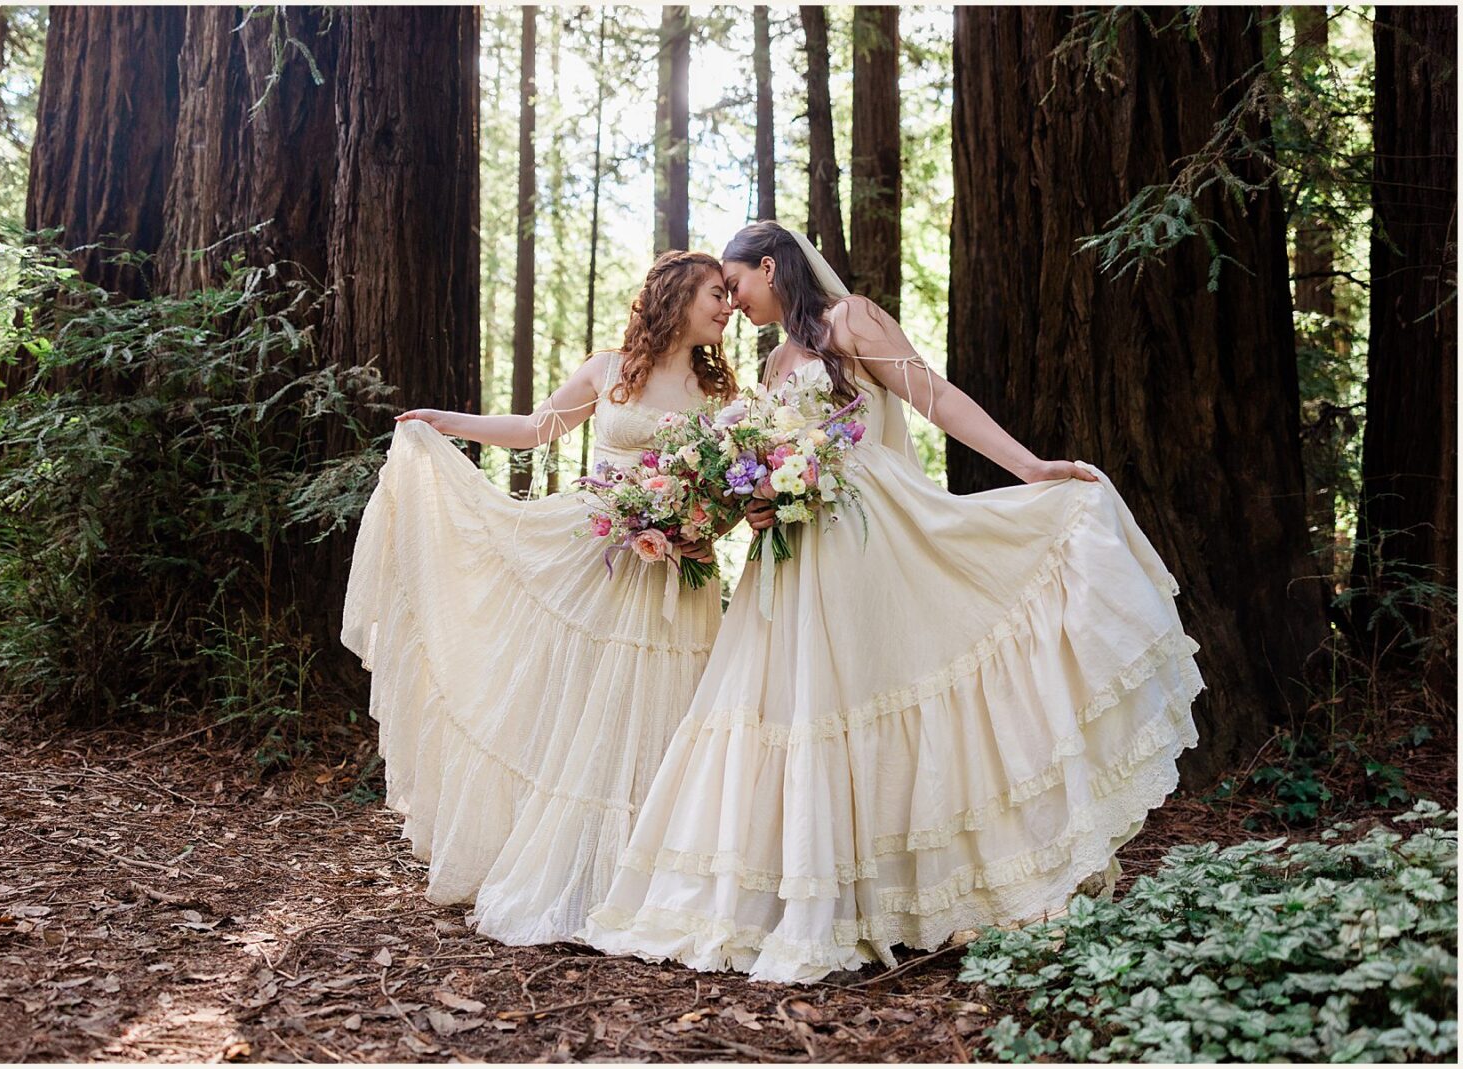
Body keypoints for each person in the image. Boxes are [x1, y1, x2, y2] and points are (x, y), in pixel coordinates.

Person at [583, 222, 1204, 982]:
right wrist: (761, 503)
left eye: (736, 284)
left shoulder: (852, 321)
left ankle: (919, 890)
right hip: (796, 558)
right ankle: (809, 899)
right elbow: (763, 460)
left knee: (880, 691)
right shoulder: (775, 361)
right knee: (795, 707)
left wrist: (1029, 465)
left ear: (770, 268)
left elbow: (937, 400)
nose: (733, 303)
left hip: (870, 535)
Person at [343, 251, 739, 945]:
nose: (728, 306)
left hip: (677, 576)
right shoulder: (609, 369)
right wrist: (447, 422)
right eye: (716, 293)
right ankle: (580, 866)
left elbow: (733, 486)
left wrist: (700, 527)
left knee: (668, 711)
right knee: (590, 711)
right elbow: (535, 429)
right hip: (596, 559)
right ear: (677, 295)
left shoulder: (722, 395)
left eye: (730, 296)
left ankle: (658, 875)